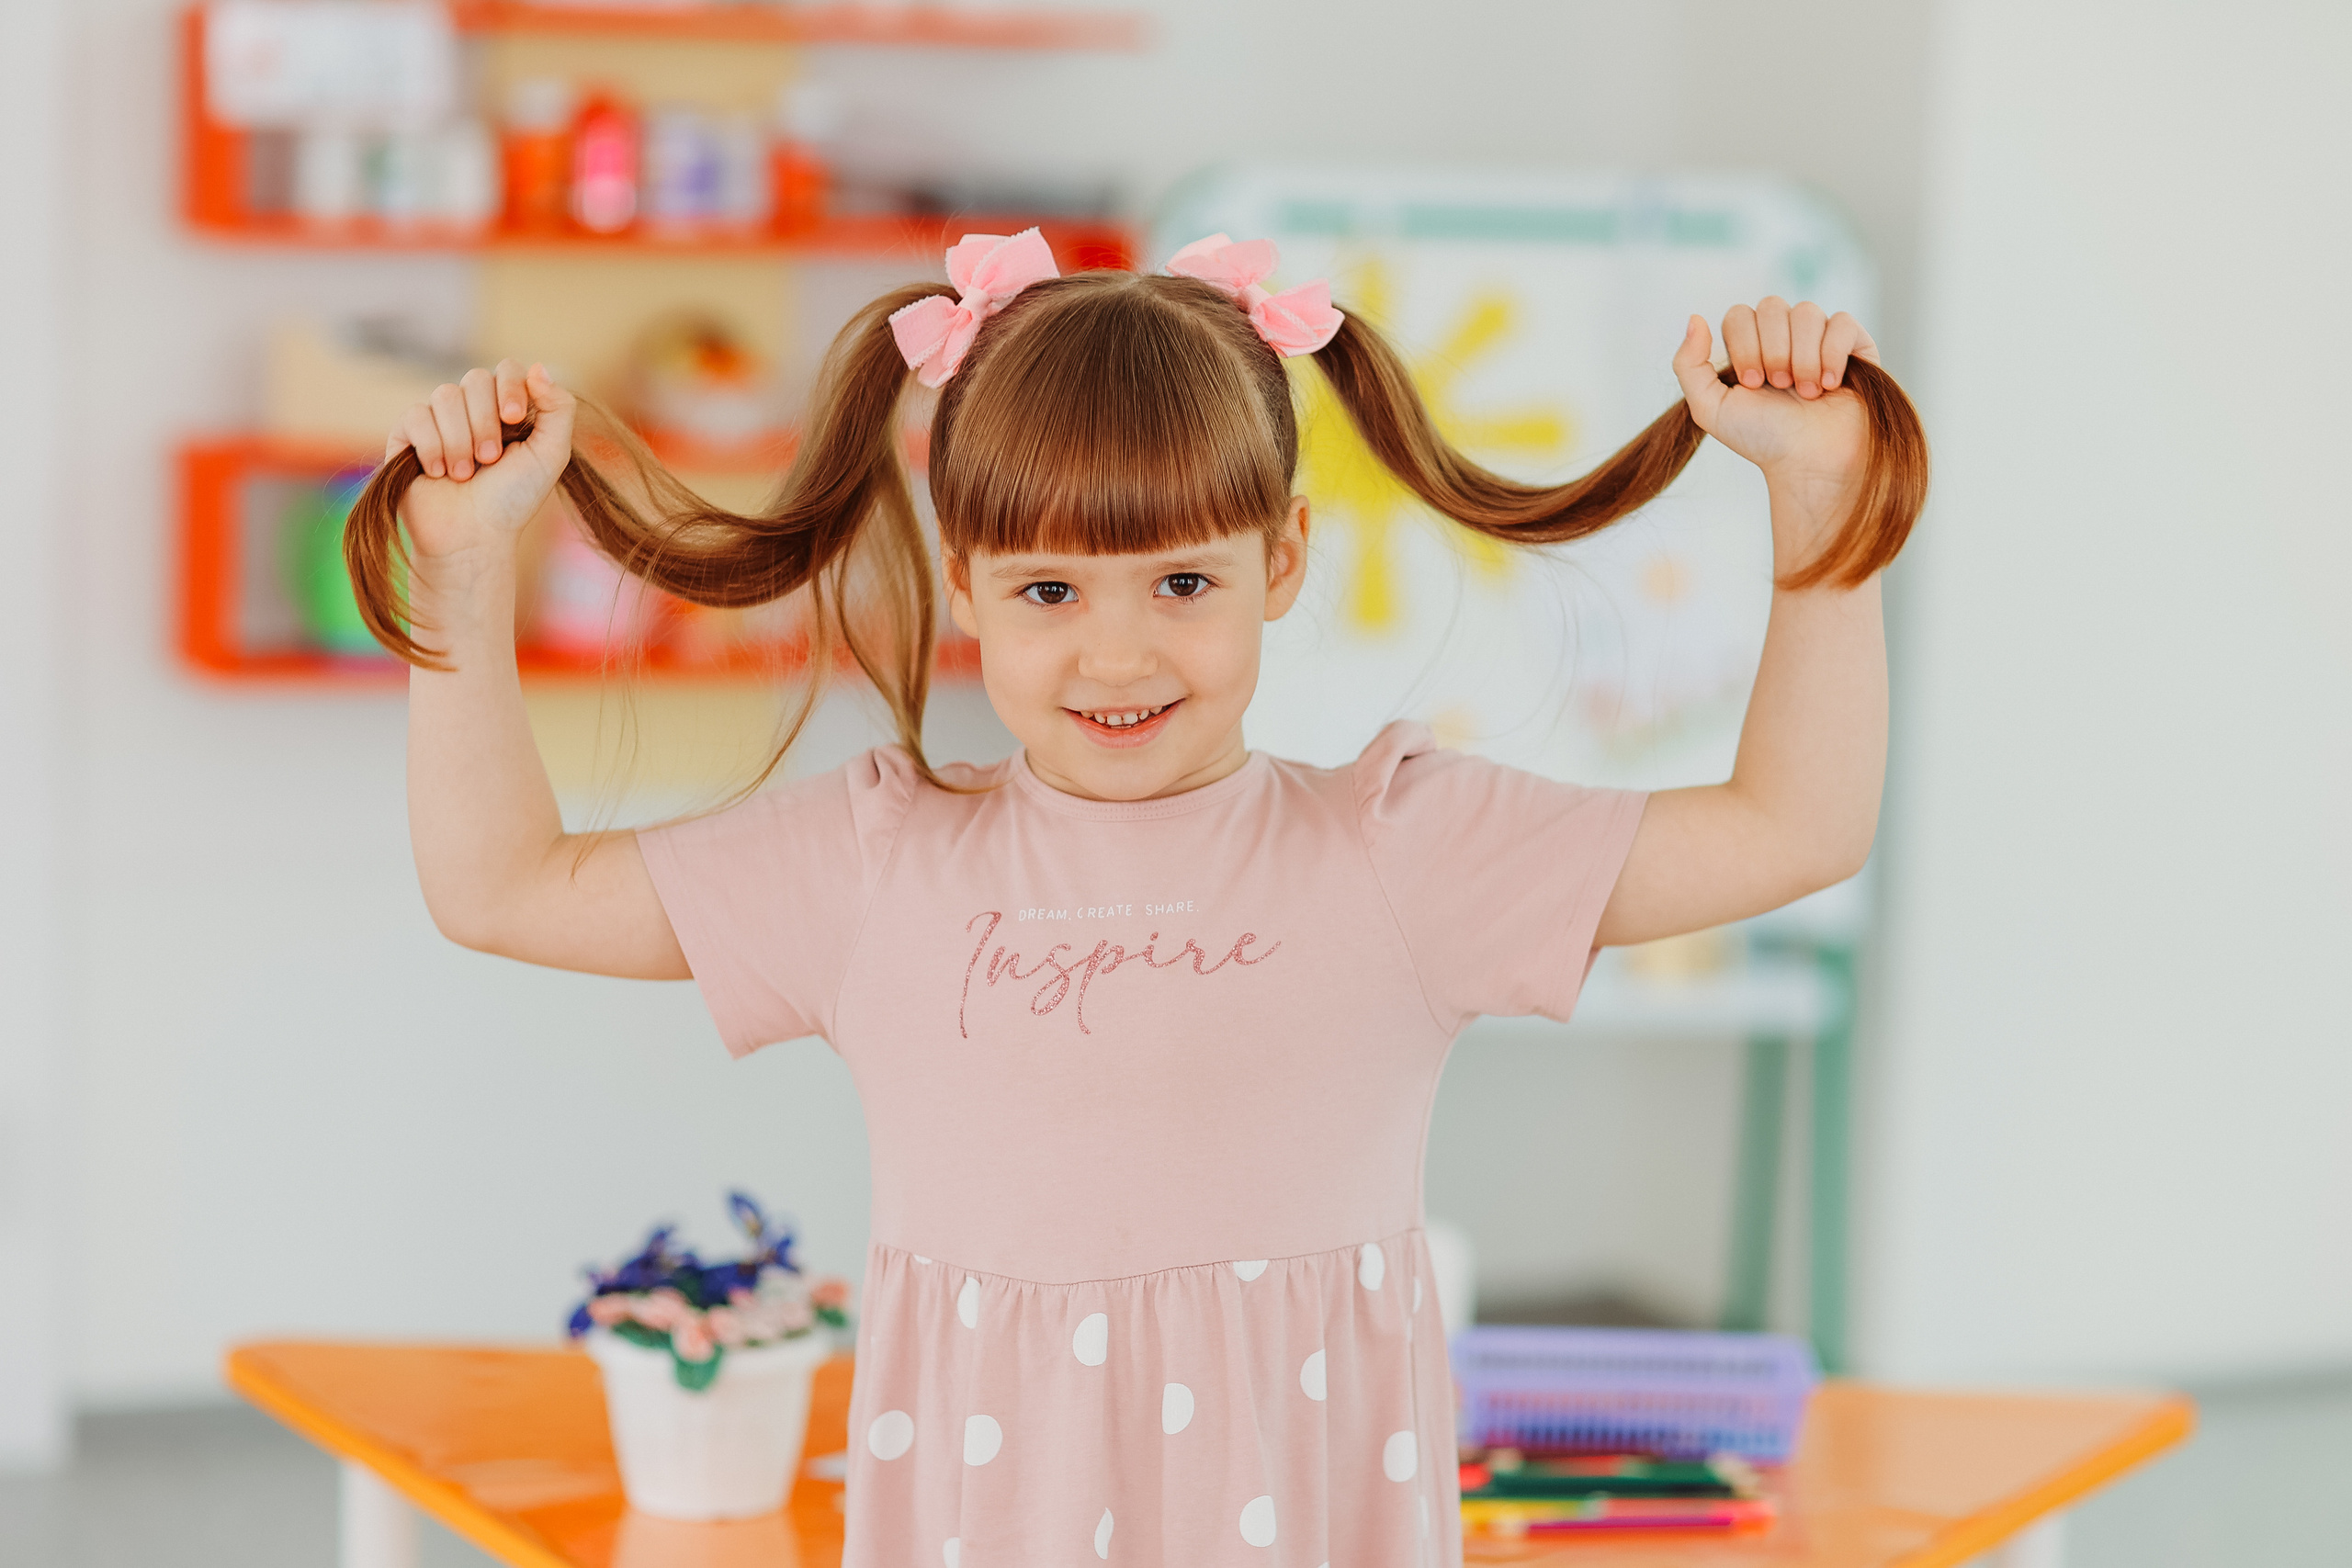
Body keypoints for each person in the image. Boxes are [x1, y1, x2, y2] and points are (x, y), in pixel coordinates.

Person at [355, 228, 1923, 1566]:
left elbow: (1795, 825)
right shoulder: (875, 860)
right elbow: (503, 888)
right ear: (964, 584)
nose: (1116, 655)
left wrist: (1823, 505)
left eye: (1183, 583)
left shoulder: (1399, 849)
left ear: (1286, 558)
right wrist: (468, 572)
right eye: (1048, 591)